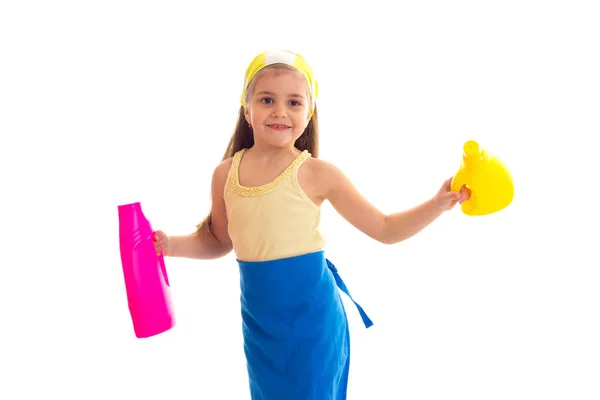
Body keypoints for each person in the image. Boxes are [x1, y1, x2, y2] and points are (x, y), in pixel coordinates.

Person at [153, 49, 471, 399]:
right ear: (246, 109)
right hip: (260, 324)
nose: (280, 111)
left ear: (309, 112)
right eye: (267, 99)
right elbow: (218, 240)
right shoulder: (225, 174)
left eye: (293, 102)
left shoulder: (318, 174)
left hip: (313, 321)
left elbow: (384, 227)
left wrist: (438, 204)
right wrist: (172, 245)